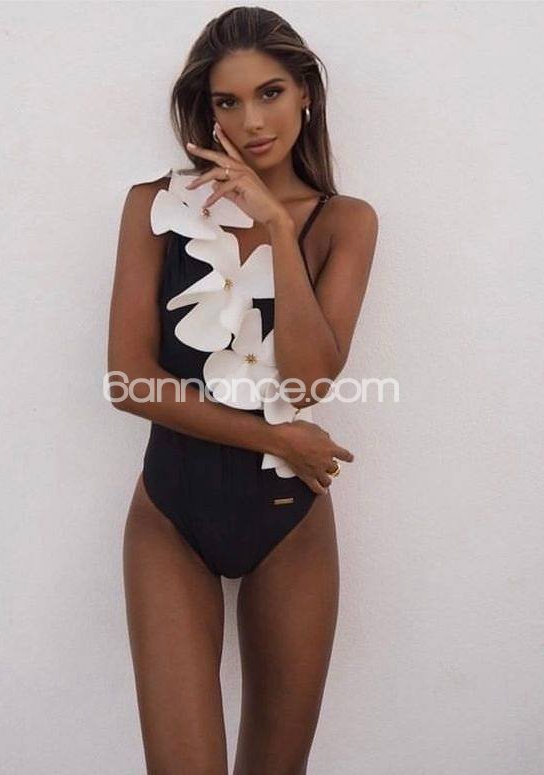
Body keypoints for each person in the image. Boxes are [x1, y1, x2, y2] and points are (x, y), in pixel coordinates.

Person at [107, 6, 378, 773]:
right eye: (228, 101)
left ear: (305, 95)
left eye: (270, 93)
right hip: (170, 517)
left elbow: (309, 381)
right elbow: (129, 380)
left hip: (289, 526)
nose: (252, 121)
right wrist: (273, 436)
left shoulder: (345, 223)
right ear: (206, 109)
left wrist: (278, 229)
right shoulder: (153, 207)